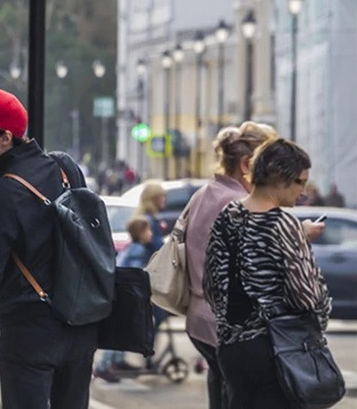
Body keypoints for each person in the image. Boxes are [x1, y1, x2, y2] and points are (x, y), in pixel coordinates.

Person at [0, 88, 97, 409]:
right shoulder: (65, 168)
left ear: (5, 138)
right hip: (80, 324)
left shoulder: (2, 194)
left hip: (29, 332)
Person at [204, 138, 331, 408]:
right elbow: (307, 296)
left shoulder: (227, 216)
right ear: (278, 176)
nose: (304, 191)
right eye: (299, 181)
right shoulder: (284, 224)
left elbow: (211, 285)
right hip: (277, 350)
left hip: (231, 350)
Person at [184, 122, 277, 409]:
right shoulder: (239, 203)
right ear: (247, 164)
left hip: (199, 319)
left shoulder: (204, 194)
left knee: (220, 389)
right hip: (225, 324)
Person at [93, 216, 152, 383]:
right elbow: (136, 274)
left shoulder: (130, 248)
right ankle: (103, 367)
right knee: (118, 332)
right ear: (141, 233)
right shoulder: (139, 251)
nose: (150, 233)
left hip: (119, 294)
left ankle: (116, 362)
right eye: (148, 230)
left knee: (120, 330)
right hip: (126, 296)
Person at [135, 180, 168, 369]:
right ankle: (147, 355)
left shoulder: (146, 217)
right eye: (162, 196)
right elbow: (155, 247)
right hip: (149, 275)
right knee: (157, 316)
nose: (165, 199)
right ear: (155, 198)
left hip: (145, 274)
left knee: (154, 317)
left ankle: (148, 355)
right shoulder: (149, 221)